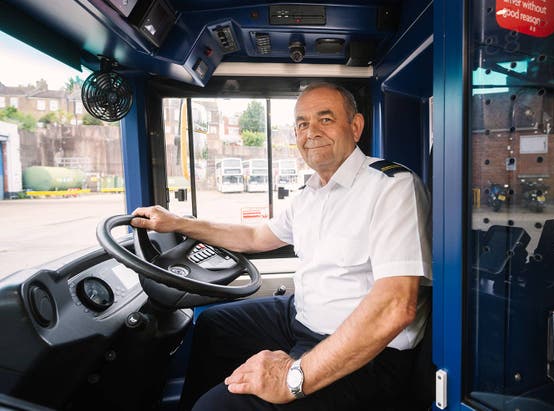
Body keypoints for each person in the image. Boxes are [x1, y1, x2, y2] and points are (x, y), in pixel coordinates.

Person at [131, 82, 432, 410]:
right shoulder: (309, 194)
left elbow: (394, 307)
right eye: (302, 124)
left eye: (325, 119)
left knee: (217, 408)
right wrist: (178, 223)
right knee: (213, 326)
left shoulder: (392, 187)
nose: (311, 132)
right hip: (302, 316)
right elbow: (255, 237)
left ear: (356, 127)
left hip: (368, 351)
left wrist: (293, 379)